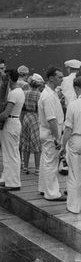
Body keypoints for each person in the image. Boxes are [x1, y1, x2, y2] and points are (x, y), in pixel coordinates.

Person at [0, 69, 25, 191]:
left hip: (11, 122)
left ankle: (14, 182)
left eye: (5, 77)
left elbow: (6, 113)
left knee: (11, 154)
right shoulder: (19, 91)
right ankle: (9, 180)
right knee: (10, 153)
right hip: (14, 122)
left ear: (9, 78)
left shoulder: (14, 93)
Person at [38, 66, 66, 201]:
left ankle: (44, 188)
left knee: (45, 161)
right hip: (51, 133)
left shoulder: (50, 93)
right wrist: (57, 138)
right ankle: (52, 193)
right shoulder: (48, 96)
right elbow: (52, 120)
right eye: (59, 77)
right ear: (51, 78)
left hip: (46, 132)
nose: (62, 79)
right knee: (51, 163)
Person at [61, 76, 81, 213]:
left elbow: (68, 129)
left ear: (76, 88)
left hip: (77, 140)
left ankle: (74, 206)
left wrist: (63, 146)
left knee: (74, 174)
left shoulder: (73, 105)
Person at [20, 73, 44, 175]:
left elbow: (23, 107)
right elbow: (40, 109)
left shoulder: (25, 93)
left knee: (26, 142)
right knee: (37, 143)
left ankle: (25, 166)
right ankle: (37, 168)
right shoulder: (39, 95)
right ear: (39, 85)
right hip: (35, 117)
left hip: (26, 117)